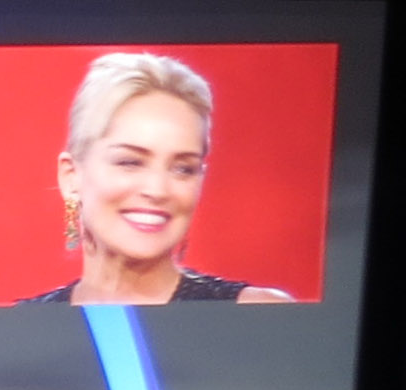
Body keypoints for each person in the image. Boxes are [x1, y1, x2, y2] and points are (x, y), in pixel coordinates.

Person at [20, 52, 293, 305]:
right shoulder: (20, 325)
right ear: (71, 177)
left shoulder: (259, 313)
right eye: (130, 162)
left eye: (183, 168)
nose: (158, 190)